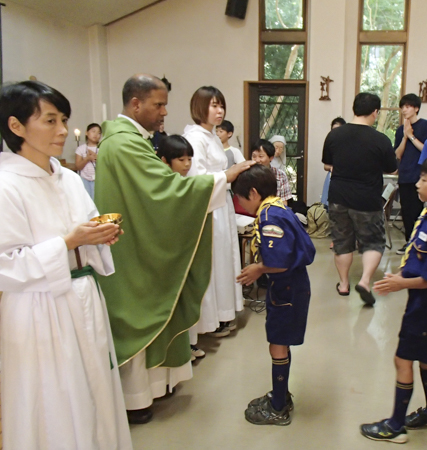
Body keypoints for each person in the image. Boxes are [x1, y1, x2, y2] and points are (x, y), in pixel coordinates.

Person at [95, 74, 253, 424]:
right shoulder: (123, 144)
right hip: (137, 246)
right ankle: (137, 396)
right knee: (144, 308)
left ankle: (157, 385)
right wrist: (226, 177)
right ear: (135, 104)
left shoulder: (136, 139)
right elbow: (166, 189)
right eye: (159, 105)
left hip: (146, 235)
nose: (165, 112)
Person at [0, 81, 132, 449]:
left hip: (83, 298)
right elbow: (5, 265)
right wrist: (69, 243)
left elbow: (85, 229)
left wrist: (99, 237)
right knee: (55, 401)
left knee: (95, 392)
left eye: (64, 120)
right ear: (16, 127)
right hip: (39, 309)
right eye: (50, 121)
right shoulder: (6, 185)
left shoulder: (69, 178)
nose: (62, 131)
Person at [360, 152, 427, 444]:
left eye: (424, 179)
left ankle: (396, 426)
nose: (417, 184)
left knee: (402, 358)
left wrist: (400, 283)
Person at [233, 165, 315, 425]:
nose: (240, 202)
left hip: (287, 288)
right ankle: (281, 394)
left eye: (241, 197)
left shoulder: (270, 218)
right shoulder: (276, 207)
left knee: (277, 344)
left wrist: (257, 268)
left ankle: (278, 407)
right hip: (290, 286)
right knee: (279, 342)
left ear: (254, 193)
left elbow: (279, 262)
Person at [322, 92, 397, 305]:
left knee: (342, 242)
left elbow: (327, 163)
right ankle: (364, 281)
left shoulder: (334, 135)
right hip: (367, 199)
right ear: (375, 112)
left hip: (338, 197)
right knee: (373, 241)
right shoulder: (380, 139)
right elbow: (392, 168)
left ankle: (344, 284)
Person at [183, 86, 244, 339]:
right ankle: (209, 320)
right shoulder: (195, 138)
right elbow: (194, 177)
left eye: (221, 106)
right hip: (209, 206)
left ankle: (223, 313)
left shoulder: (210, 136)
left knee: (224, 258)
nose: (219, 111)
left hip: (221, 202)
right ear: (199, 107)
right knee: (214, 261)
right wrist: (227, 175)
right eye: (213, 105)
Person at [394, 93, 427, 254]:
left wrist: (411, 136)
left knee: (419, 211)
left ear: (416, 108)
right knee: (406, 211)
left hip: (420, 175)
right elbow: (398, 154)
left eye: (408, 106)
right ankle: (409, 243)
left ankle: (421, 243)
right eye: (402, 107)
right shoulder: (400, 130)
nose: (404, 110)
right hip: (404, 175)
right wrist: (404, 136)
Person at [251, 139, 293, 205]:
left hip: (273, 212)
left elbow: (284, 202)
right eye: (254, 156)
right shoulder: (247, 174)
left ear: (271, 158)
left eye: (261, 156)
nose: (257, 160)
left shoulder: (280, 175)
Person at [322, 116, 346, 208]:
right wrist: (332, 168)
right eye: (333, 129)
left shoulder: (348, 143)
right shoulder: (330, 142)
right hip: (332, 176)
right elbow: (325, 166)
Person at [74, 122, 101, 199]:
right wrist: (87, 158)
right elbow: (78, 166)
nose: (96, 134)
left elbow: (108, 164)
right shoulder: (80, 149)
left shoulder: (102, 148)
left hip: (99, 179)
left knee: (97, 201)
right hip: (85, 179)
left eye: (98, 133)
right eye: (93, 131)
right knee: (87, 200)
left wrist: (98, 158)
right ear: (86, 133)